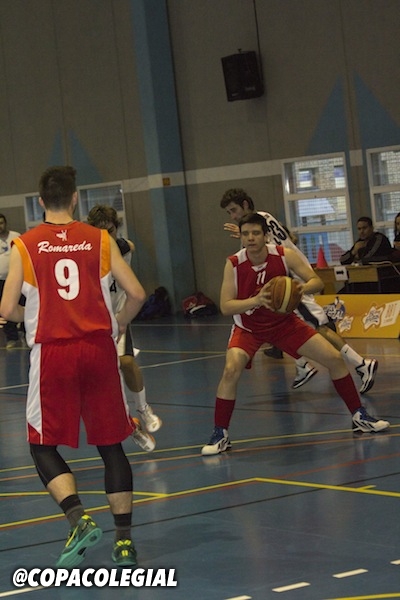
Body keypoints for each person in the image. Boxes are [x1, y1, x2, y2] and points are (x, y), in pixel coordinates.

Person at [0, 166, 149, 568]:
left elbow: (6, 308)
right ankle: (123, 543)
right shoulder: (100, 239)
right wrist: (118, 323)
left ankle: (78, 518)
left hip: (54, 354)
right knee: (111, 444)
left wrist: (32, 316)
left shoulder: (25, 245)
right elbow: (137, 293)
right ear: (76, 197)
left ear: (40, 201)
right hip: (98, 350)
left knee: (41, 444)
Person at [201, 213, 389, 455]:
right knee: (230, 370)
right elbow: (226, 306)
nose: (250, 238)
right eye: (246, 233)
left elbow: (316, 282)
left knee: (334, 358)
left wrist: (298, 289)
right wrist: (257, 300)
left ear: (265, 235)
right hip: (249, 327)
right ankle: (220, 434)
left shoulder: (283, 255)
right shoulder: (234, 263)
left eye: (256, 233)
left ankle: (359, 416)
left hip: (284, 323)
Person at [220, 188, 378, 394]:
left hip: (291, 281)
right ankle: (302, 363)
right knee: (276, 322)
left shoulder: (258, 228)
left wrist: (246, 238)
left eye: (234, 210)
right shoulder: (265, 217)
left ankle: (360, 364)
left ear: (245, 205)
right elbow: (290, 238)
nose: (233, 216)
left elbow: (270, 251)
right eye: (229, 213)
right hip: (285, 279)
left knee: (317, 327)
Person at [87, 204, 162, 437]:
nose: (105, 236)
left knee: (126, 362)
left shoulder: (123, 248)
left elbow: (127, 245)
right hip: (93, 319)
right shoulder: (86, 254)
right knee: (100, 373)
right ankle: (124, 419)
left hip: (118, 315)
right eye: (99, 231)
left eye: (109, 230)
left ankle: (143, 408)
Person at [0, 214, 21, 349]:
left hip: (18, 279)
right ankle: (12, 337)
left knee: (22, 305)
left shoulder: (16, 236)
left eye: (1, 223)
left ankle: (26, 331)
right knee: (5, 309)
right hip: (1, 280)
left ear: (6, 223)